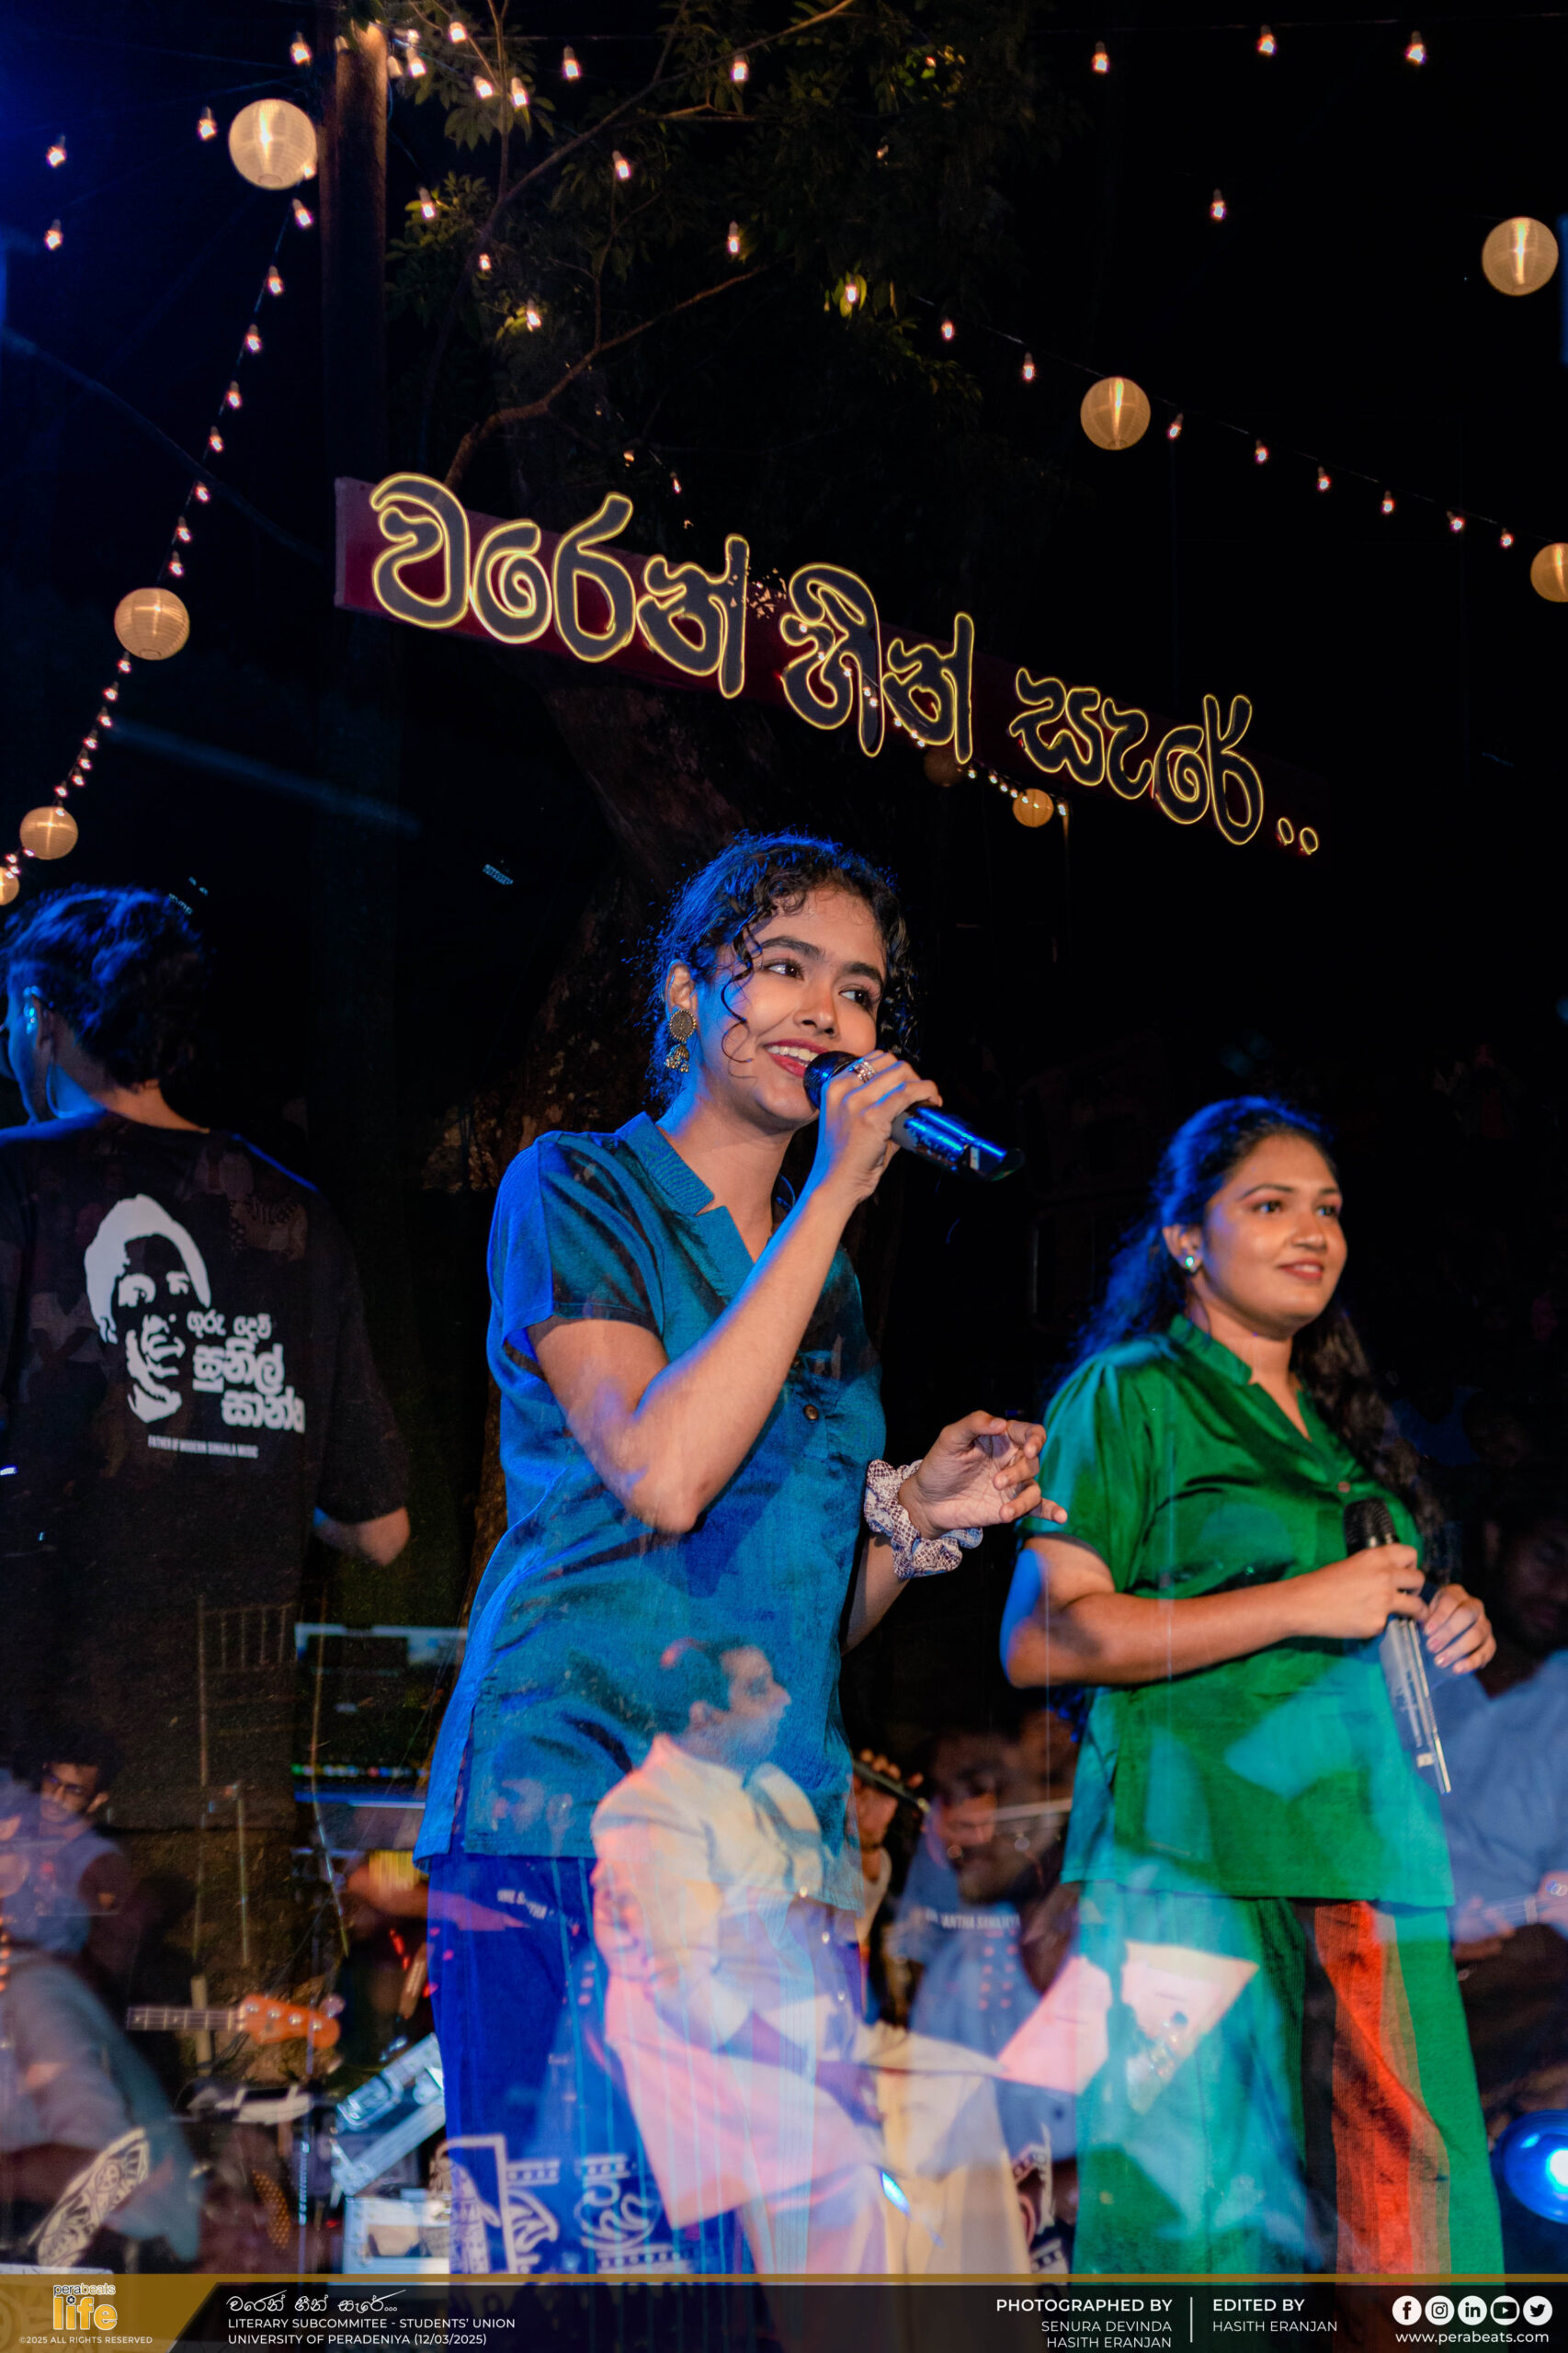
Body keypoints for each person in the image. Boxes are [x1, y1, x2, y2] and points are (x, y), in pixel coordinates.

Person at [416, 830, 1050, 2276]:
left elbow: (795, 1615)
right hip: (573, 1816)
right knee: (581, 2282)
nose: (824, 1014)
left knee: (756, 2299)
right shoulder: (578, 1188)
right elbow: (664, 1474)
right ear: (687, 992)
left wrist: (917, 1518)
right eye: (782, 969)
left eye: (859, 992)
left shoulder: (827, 1294)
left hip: (772, 1846)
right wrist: (829, 1197)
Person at [1001, 1096, 1503, 2276]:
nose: (1311, 1231)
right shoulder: (1128, 1392)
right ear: (1184, 1235)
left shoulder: (1340, 1437)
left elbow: (1352, 1624)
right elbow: (1042, 1638)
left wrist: (1438, 1617)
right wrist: (1299, 1602)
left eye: (1327, 1208)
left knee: (1406, 2224)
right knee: (1194, 2219)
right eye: (1269, 1204)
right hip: (1193, 1859)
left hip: (1367, 1857)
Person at [0, 888, 410, 1834]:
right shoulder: (298, 1221)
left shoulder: (17, 1182)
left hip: (30, 1801)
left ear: (41, 1018)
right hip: (225, 1797)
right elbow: (381, 1530)